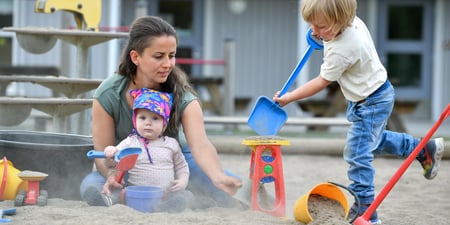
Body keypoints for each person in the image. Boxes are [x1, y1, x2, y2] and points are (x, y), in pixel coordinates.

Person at [273, 0, 444, 224]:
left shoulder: (343, 49)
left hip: (371, 101)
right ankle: (424, 149)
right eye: (312, 24)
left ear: (339, 21)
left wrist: (289, 97)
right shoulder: (351, 21)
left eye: (321, 26)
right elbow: (328, 33)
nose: (314, 31)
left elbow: (321, 82)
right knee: (375, 141)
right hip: (372, 94)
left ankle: (366, 209)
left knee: (356, 153)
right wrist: (322, 32)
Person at [80, 15, 242, 208]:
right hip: (128, 165)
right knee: (89, 185)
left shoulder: (184, 97)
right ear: (135, 57)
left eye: (171, 55)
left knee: (220, 184)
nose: (168, 64)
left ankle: (186, 196)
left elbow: (201, 145)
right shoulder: (108, 94)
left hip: (176, 163)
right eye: (159, 56)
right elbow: (103, 151)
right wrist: (113, 175)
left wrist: (217, 176)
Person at [101, 87, 194, 213]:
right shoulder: (130, 142)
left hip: (165, 194)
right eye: (142, 118)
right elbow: (113, 163)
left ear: (164, 123)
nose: (148, 123)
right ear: (135, 121)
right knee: (118, 193)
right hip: (135, 194)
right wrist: (109, 152)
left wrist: (183, 181)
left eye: (155, 118)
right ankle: (106, 200)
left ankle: (165, 207)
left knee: (187, 195)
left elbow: (181, 167)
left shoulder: (171, 144)